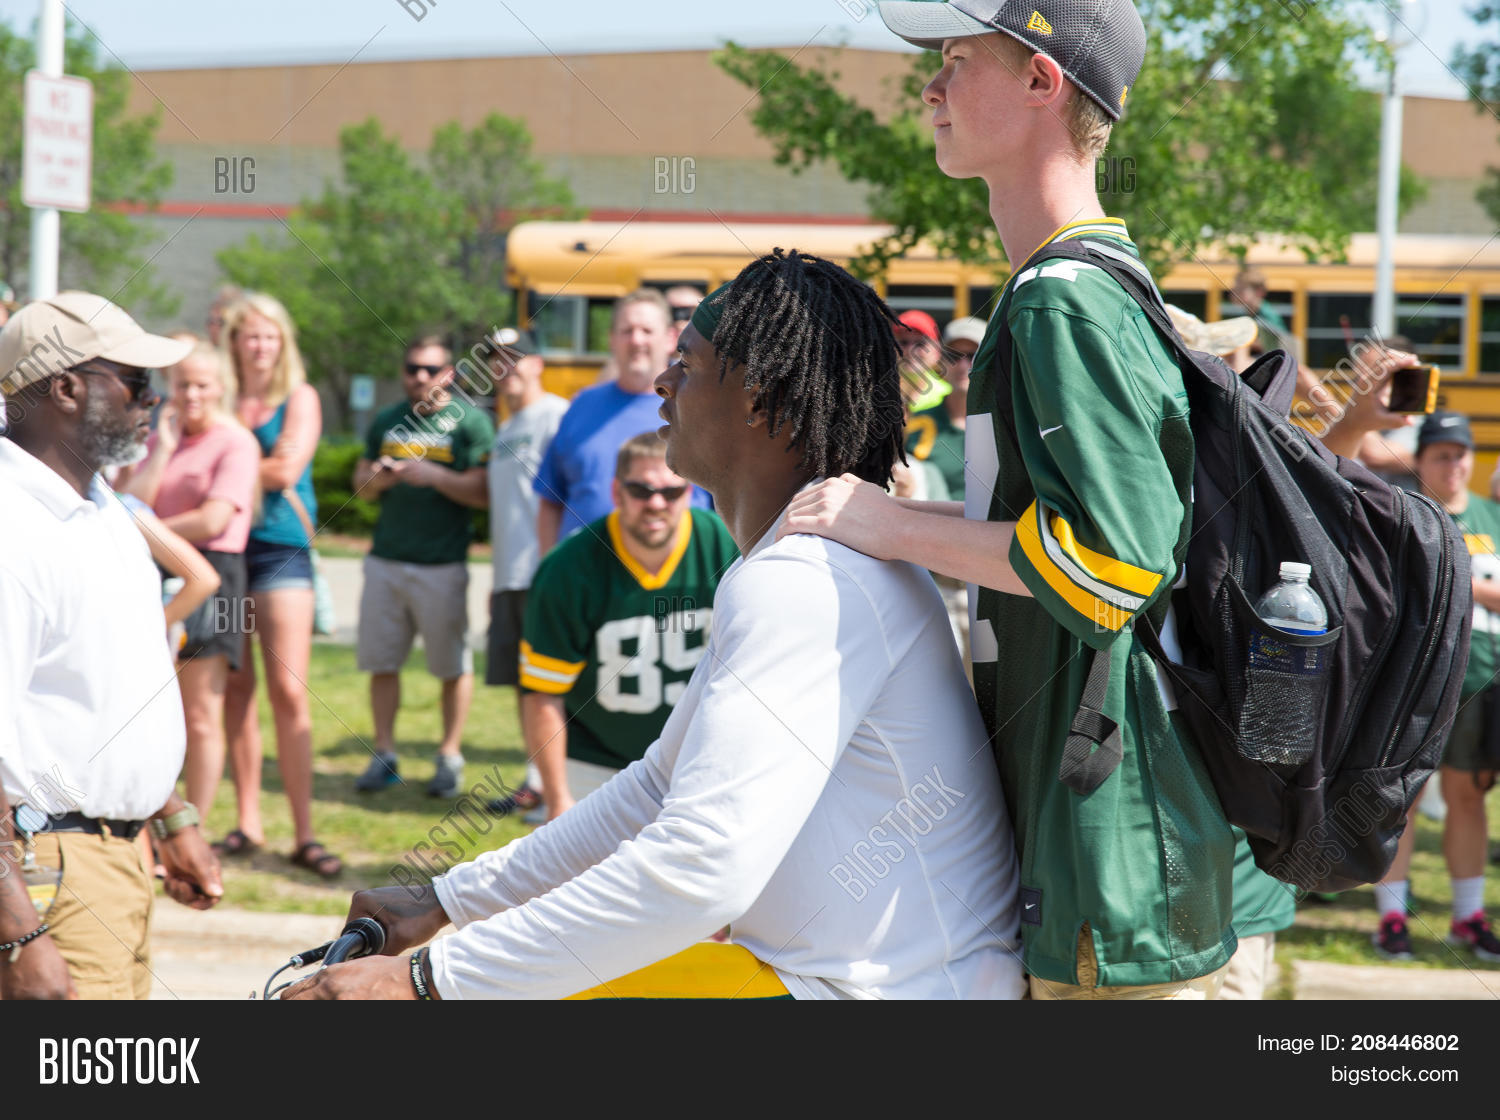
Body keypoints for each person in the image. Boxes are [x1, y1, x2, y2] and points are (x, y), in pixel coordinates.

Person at [282, 249, 1023, 1001]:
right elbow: (653, 791)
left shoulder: (807, 583)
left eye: (688, 364)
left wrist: (422, 980)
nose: (664, 383)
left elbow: (699, 869)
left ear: (759, 399)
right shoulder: (799, 567)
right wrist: (445, 899)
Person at [783, 0, 1239, 998]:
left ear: (1043, 80)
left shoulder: (1064, 300)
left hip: (1107, 873)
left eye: (955, 60)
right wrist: (898, 526)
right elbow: (1042, 532)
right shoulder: (1068, 285)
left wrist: (888, 522)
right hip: (1082, 852)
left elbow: (1112, 569)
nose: (930, 87)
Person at [0, 290, 223, 1000]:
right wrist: (21, 934)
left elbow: (107, 689)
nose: (154, 400)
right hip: (46, 871)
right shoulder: (14, 529)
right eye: (135, 382)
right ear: (64, 388)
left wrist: (169, 811)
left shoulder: (104, 511)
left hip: (116, 856)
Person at [521, 431, 737, 820]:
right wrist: (557, 797)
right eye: (641, 490)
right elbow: (542, 695)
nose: (656, 503)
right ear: (616, 491)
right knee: (581, 878)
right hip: (594, 761)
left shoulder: (726, 545)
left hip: (700, 757)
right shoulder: (568, 569)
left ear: (689, 494)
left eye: (671, 492)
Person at [1369, 411, 1500, 963]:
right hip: (1418, 683)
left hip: (1482, 676)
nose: (1454, 464)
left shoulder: (1491, 515)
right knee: (1405, 801)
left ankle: (1469, 915)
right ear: (1418, 462)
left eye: (1461, 454)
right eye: (1442, 454)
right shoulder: (1406, 513)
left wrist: (1460, 585)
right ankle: (1393, 916)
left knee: (1469, 798)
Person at [219, 292, 342, 878]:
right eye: (251, 336)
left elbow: (287, 469)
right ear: (235, 342)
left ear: (282, 342)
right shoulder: (219, 395)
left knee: (290, 691)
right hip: (223, 552)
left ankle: (304, 832)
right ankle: (247, 821)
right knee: (235, 687)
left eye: (270, 335)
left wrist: (226, 469)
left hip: (280, 549)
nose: (260, 346)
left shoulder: (301, 398)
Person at [117, 343, 262, 817]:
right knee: (156, 709)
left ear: (221, 387)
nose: (192, 394)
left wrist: (144, 528)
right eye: (183, 384)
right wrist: (166, 452)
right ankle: (154, 819)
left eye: (202, 384)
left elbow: (213, 520)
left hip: (220, 579)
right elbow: (131, 501)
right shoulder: (161, 437)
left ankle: (193, 823)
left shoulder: (237, 442)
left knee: (201, 713)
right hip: (160, 573)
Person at [350, 334, 494, 798]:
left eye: (432, 369)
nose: (421, 377)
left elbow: (484, 492)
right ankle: (384, 755)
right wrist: (380, 478)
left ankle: (449, 756)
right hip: (386, 560)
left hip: (442, 564)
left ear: (450, 373)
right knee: (382, 662)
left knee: (450, 666)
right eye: (413, 368)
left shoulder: (471, 423)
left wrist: (435, 476)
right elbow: (361, 485)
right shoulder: (388, 421)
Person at [534, 288, 707, 552]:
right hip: (586, 579)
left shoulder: (700, 407)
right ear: (611, 339)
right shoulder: (581, 407)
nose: (636, 340)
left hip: (676, 579)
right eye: (627, 331)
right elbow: (550, 501)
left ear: (671, 338)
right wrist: (547, 574)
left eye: (647, 331)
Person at [479, 328, 569, 818]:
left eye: (514, 358)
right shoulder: (506, 427)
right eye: (496, 360)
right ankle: (537, 779)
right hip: (509, 573)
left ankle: (559, 785)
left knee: (549, 681)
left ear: (537, 362)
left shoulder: (556, 415)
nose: (504, 368)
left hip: (542, 570)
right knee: (525, 682)